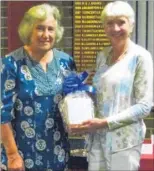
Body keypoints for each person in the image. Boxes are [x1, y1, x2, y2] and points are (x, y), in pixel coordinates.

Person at [70, 1, 153, 171]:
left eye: (121, 22)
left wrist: (105, 123)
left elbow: (145, 106)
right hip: (97, 141)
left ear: (131, 25)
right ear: (104, 27)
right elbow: (102, 96)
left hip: (124, 143)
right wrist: (78, 100)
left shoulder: (140, 57)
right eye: (109, 23)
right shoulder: (102, 56)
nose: (115, 28)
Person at [1, 3, 76, 171]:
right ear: (29, 30)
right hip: (21, 155)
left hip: (58, 153)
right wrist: (12, 155)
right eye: (40, 28)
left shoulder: (66, 62)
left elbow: (73, 101)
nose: (46, 34)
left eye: (50, 29)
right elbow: (2, 114)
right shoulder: (11, 63)